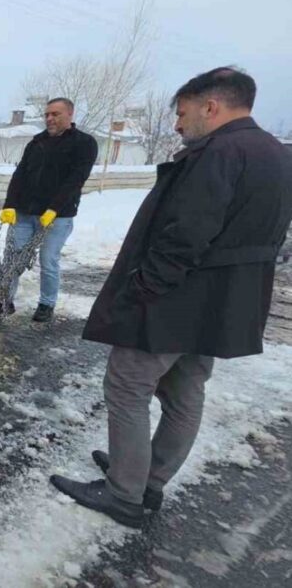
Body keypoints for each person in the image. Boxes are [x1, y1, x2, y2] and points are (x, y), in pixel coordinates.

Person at [50, 67, 292, 528]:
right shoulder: (276, 155)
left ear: (211, 106)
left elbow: (187, 232)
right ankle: (149, 481)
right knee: (185, 391)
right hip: (227, 302)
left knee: (127, 386)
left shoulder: (218, 152)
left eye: (182, 114)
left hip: (179, 296)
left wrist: (144, 287)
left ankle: (124, 494)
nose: (178, 125)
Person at [0, 98, 98, 322]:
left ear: (70, 115)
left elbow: (76, 179)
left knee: (48, 259)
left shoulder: (84, 143)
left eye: (55, 114)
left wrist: (54, 209)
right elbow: (20, 174)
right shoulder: (36, 143)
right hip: (24, 212)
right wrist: (10, 205)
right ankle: (4, 300)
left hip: (57, 216)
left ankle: (46, 304)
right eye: (47, 115)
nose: (50, 118)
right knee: (12, 257)